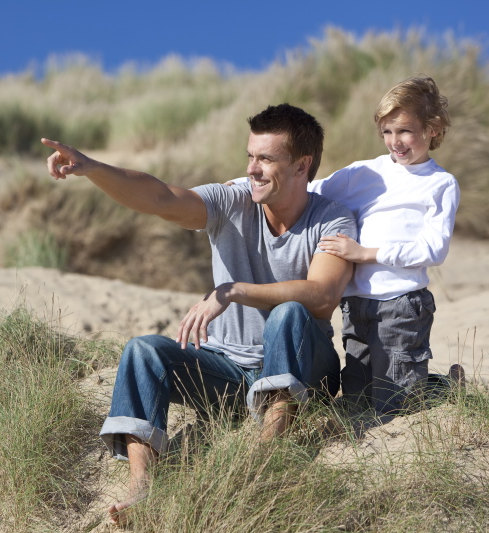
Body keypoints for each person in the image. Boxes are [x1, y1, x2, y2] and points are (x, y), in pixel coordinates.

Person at [42, 103, 357, 524]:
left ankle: (265, 463)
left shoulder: (332, 218)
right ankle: (142, 487)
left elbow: (322, 295)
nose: (253, 169)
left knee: (289, 314)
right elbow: (159, 198)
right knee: (143, 351)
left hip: (306, 369)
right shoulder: (230, 201)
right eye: (250, 156)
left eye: (266, 159)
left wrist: (235, 291)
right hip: (228, 373)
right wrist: (93, 168)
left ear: (302, 165)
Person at [313, 76, 461, 414]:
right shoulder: (364, 173)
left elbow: (433, 250)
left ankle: (445, 390)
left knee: (395, 404)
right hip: (356, 305)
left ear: (432, 129)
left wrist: (365, 253)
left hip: (403, 305)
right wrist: (245, 184)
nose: (395, 142)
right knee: (356, 398)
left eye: (405, 131)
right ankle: (441, 385)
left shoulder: (440, 184)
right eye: (387, 132)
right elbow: (311, 190)